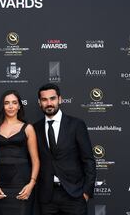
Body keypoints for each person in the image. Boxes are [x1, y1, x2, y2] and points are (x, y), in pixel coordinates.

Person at [33, 83, 96, 215]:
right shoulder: (35, 128)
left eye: (52, 98)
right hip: (47, 196)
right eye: (44, 100)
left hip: (74, 195)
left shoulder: (76, 125)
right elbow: (30, 159)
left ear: (60, 99)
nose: (49, 103)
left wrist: (86, 192)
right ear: (39, 102)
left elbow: (88, 160)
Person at [0, 90, 40, 215]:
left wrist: (31, 184)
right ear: (3, 106)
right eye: (7, 103)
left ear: (19, 106)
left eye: (14, 103)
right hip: (0, 184)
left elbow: (36, 160)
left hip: (22, 184)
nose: (10, 106)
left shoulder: (28, 128)